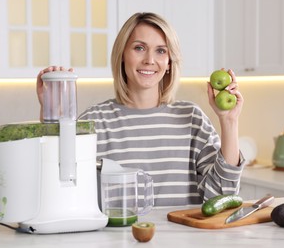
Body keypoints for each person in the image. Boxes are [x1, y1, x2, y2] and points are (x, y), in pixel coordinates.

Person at [36, 12, 245, 207]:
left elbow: (221, 197)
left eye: (161, 51)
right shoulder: (94, 122)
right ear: (122, 55)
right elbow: (56, 189)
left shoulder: (191, 119)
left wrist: (229, 122)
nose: (149, 60)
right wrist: (52, 114)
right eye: (139, 48)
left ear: (169, 62)